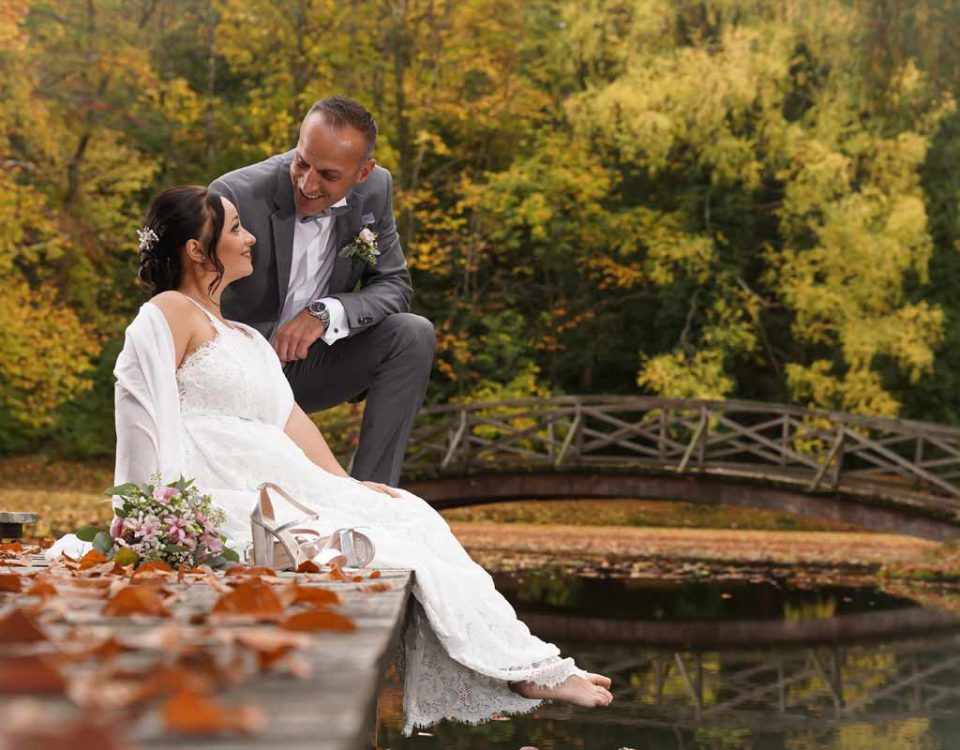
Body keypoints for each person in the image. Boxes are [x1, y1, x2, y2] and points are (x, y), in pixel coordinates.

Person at [118, 184, 612, 733]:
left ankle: (525, 662)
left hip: (278, 476)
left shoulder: (247, 338)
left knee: (410, 512)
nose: (250, 236)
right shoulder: (168, 312)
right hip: (217, 482)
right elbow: (140, 408)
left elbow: (291, 422)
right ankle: (518, 669)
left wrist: (347, 485)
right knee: (383, 543)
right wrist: (153, 510)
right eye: (235, 227)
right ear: (196, 249)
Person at [210, 97, 433, 487]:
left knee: (412, 334)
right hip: (238, 376)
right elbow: (193, 295)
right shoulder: (235, 194)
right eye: (301, 162)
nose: (307, 184)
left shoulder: (377, 190)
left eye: (328, 175)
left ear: (364, 172)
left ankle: (374, 497)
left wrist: (325, 312)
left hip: (309, 367)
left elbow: (394, 284)